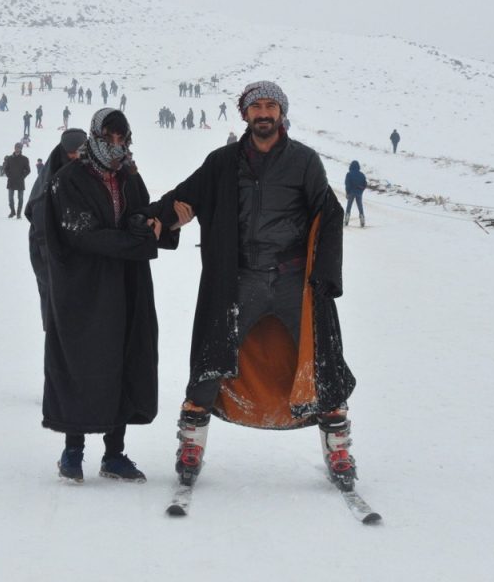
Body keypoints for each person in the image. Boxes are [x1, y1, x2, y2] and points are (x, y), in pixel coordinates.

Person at [152, 81, 359, 492]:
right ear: (244, 113)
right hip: (240, 279)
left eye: (270, 106)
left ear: (281, 113)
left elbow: (328, 213)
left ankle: (338, 450)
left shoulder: (304, 161)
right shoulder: (223, 162)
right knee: (211, 358)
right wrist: (158, 219)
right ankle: (191, 445)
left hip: (293, 280)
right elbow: (185, 198)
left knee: (322, 359)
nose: (263, 113)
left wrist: (325, 277)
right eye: (256, 106)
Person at [41, 108, 178, 482]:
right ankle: (73, 451)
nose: (116, 146)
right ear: (94, 137)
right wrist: (139, 239)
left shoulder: (129, 177)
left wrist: (163, 223)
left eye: (122, 138)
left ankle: (114, 454)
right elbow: (82, 235)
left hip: (128, 284)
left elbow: (142, 215)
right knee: (83, 364)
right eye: (108, 138)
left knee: (124, 361)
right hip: (84, 289)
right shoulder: (68, 180)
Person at [25, 128, 87, 329]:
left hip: (80, 266)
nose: (75, 158)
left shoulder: (86, 174)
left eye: (80, 153)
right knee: (57, 320)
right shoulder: (47, 189)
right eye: (71, 154)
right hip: (50, 260)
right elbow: (41, 233)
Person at [3, 142, 30, 218]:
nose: (17, 149)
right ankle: (12, 212)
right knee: (10, 199)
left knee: (20, 199)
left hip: (20, 181)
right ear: (14, 148)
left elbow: (28, 170)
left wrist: (22, 177)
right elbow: (6, 169)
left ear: (21, 149)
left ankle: (18, 213)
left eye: (19, 148)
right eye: (16, 147)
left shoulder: (25, 159)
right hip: (11, 181)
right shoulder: (9, 158)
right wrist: (9, 175)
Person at [344, 160, 367, 227]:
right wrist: (361, 190)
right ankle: (362, 219)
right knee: (360, 206)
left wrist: (347, 192)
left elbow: (347, 184)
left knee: (349, 206)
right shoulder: (362, 175)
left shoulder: (349, 174)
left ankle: (346, 219)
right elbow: (365, 184)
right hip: (359, 192)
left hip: (351, 192)